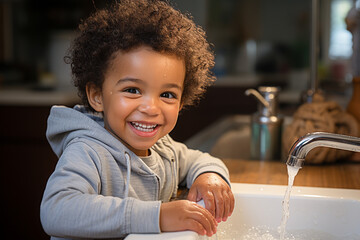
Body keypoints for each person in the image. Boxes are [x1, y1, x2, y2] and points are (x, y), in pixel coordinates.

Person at [40, 0, 234, 239]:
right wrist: (159, 216)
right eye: (132, 90)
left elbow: (199, 160)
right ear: (97, 96)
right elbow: (57, 210)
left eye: (167, 95)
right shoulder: (88, 151)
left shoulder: (163, 148)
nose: (151, 108)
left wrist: (210, 177)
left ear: (182, 102)